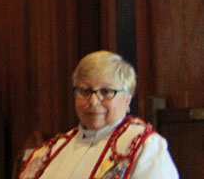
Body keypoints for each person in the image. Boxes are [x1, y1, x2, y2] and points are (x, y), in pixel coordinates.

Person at [17, 51, 179, 179]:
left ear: (128, 99)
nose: (93, 101)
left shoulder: (144, 146)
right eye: (85, 91)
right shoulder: (50, 151)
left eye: (106, 91)